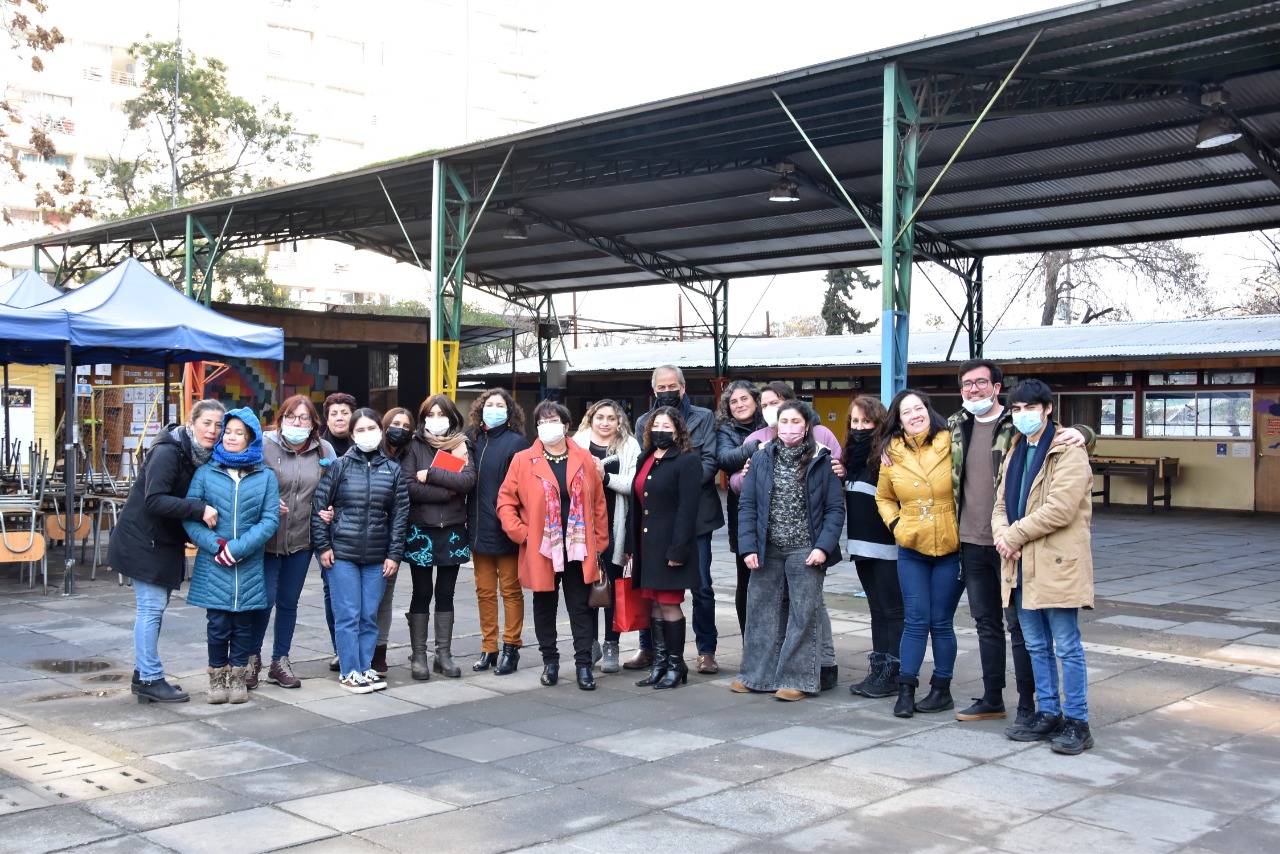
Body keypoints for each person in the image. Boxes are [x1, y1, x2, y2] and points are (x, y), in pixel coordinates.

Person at [948, 358, 1091, 726]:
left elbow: (1061, 506)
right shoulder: (958, 427)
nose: (973, 389)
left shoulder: (1043, 440)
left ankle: (1049, 711)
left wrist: (1085, 431)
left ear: (996, 387)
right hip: (986, 543)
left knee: (1050, 640)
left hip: (1036, 553)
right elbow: (1000, 500)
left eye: (981, 382)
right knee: (993, 626)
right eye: (967, 383)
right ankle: (1006, 701)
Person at [993, 379, 1096, 755]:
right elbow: (1000, 503)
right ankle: (1048, 712)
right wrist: (1001, 534)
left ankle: (1077, 721)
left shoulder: (1068, 451)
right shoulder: (1015, 451)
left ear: (1047, 408)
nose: (1022, 416)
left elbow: (1060, 509)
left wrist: (1012, 536)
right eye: (1016, 410)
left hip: (1055, 562)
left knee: (1066, 644)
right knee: (1036, 644)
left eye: (1029, 408)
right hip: (1020, 564)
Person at [728, 380, 845, 690]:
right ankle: (756, 676)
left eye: (796, 421)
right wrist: (748, 546)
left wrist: (823, 547)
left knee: (803, 614)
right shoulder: (762, 458)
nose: (789, 426)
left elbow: (835, 510)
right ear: (776, 426)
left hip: (806, 548)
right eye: (784, 421)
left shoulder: (822, 460)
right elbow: (748, 505)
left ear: (807, 426)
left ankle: (797, 679)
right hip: (767, 548)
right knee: (760, 612)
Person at [112, 399, 226, 704]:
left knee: (155, 608)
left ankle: (143, 673)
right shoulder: (168, 451)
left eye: (218, 425)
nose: (212, 430)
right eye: (206, 423)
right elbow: (155, 499)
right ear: (192, 424)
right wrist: (198, 509)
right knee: (150, 609)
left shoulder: (195, 454)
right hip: (143, 541)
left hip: (159, 541)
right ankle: (150, 678)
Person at [497, 401, 610, 690]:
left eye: (554, 419)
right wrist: (523, 534)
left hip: (578, 547)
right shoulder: (523, 460)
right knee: (544, 606)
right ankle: (550, 662)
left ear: (566, 423)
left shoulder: (583, 458)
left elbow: (598, 503)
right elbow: (506, 502)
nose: (548, 425)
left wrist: (599, 543)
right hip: (542, 548)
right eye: (543, 421)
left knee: (580, 608)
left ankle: (584, 665)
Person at [876, 389, 963, 719]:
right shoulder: (891, 452)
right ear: (898, 420)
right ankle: (906, 688)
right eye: (906, 412)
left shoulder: (952, 441)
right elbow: (884, 498)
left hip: (952, 545)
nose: (914, 415)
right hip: (912, 545)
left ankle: (942, 689)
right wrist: (897, 524)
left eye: (918, 408)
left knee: (941, 622)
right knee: (915, 620)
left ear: (929, 409)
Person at [630, 365, 723, 675]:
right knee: (651, 587)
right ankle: (651, 650)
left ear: (683, 388)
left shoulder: (703, 416)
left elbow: (710, 460)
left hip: (695, 515)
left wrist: (680, 486)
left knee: (702, 587)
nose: (667, 390)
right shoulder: (645, 421)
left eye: (673, 385)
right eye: (661, 386)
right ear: (654, 390)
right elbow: (645, 468)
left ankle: (705, 651)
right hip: (656, 520)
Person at [184, 408, 280, 705]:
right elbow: (190, 516)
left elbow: (269, 520)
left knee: (243, 624)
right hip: (215, 563)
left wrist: (237, 549)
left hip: (248, 562)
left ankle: (238, 676)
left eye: (239, 433)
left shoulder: (265, 477)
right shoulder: (205, 472)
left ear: (251, 438)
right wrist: (217, 546)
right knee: (217, 623)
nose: (231, 438)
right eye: (228, 432)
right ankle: (217, 676)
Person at [311, 407, 410, 694]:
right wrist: (324, 546)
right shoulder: (339, 466)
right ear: (353, 435)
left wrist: (394, 554)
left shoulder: (392, 470)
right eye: (361, 430)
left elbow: (399, 516)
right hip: (342, 554)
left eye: (372, 428)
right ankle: (349, 670)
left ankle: (365, 667)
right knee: (348, 614)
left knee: (369, 615)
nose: (367, 434)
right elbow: (319, 508)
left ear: (380, 431)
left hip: (377, 557)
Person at [253, 395, 336, 690]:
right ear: (281, 419)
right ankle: (252, 659)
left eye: (303, 418)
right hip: (265, 540)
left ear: (314, 423)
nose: (297, 423)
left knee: (289, 603)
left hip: (302, 541)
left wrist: (330, 508)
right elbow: (244, 483)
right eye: (291, 417)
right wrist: (264, 503)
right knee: (262, 602)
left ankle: (280, 661)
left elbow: (334, 489)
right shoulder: (262, 445)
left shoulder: (324, 450)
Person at [401, 394, 476, 680]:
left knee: (446, 593)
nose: (436, 420)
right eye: (430, 415)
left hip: (454, 529)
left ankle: (443, 654)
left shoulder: (462, 444)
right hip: (421, 530)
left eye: (441, 414)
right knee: (422, 592)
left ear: (452, 417)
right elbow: (410, 487)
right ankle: (418, 655)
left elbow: (468, 481)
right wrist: (448, 491)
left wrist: (430, 474)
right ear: (423, 419)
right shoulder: (413, 446)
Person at [626, 407, 701, 689]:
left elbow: (687, 510)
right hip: (647, 547)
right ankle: (659, 664)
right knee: (655, 605)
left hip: (670, 546)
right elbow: (637, 503)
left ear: (678, 430)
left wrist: (678, 550)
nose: (661, 429)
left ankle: (676, 664)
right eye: (656, 424)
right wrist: (631, 545)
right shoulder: (645, 457)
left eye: (667, 426)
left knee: (670, 605)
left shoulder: (687, 462)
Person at [572, 399, 640, 673]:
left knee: (611, 589)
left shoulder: (630, 446)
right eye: (599, 417)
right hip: (583, 528)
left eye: (611, 418)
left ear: (619, 421)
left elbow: (636, 483)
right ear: (590, 418)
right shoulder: (576, 443)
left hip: (616, 526)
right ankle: (589, 644)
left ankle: (612, 643)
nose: (605, 422)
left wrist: (606, 477)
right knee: (585, 586)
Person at [842, 396, 904, 699]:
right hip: (861, 545)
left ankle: (894, 672)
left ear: (879, 423)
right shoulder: (850, 458)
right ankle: (879, 667)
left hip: (888, 546)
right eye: (855, 422)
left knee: (893, 610)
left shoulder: (888, 455)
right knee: (876, 610)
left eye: (866, 422)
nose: (859, 427)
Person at [466, 388, 530, 675]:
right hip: (477, 529)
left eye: (500, 405)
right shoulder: (472, 440)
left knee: (510, 591)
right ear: (480, 409)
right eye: (489, 404)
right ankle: (488, 646)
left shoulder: (517, 443)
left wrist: (514, 524)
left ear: (509, 411)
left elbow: (521, 489)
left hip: (505, 529)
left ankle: (511, 647)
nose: (494, 408)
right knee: (484, 592)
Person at [714, 380, 766, 636]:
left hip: (775, 507)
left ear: (756, 401)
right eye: (733, 401)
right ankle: (749, 640)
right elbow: (724, 460)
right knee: (745, 577)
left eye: (744, 399)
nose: (739, 405)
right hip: (742, 510)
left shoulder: (772, 424)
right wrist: (757, 446)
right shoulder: (725, 429)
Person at [369, 407, 416, 676]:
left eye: (406, 425)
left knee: (385, 598)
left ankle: (380, 652)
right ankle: (352, 651)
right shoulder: (369, 453)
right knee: (361, 600)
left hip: (393, 537)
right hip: (364, 535)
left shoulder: (411, 454)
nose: (400, 428)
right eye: (395, 423)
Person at [322, 392, 357, 458]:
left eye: (345, 413)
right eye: (334, 414)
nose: (339, 418)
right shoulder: (319, 448)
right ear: (327, 421)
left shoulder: (364, 445)